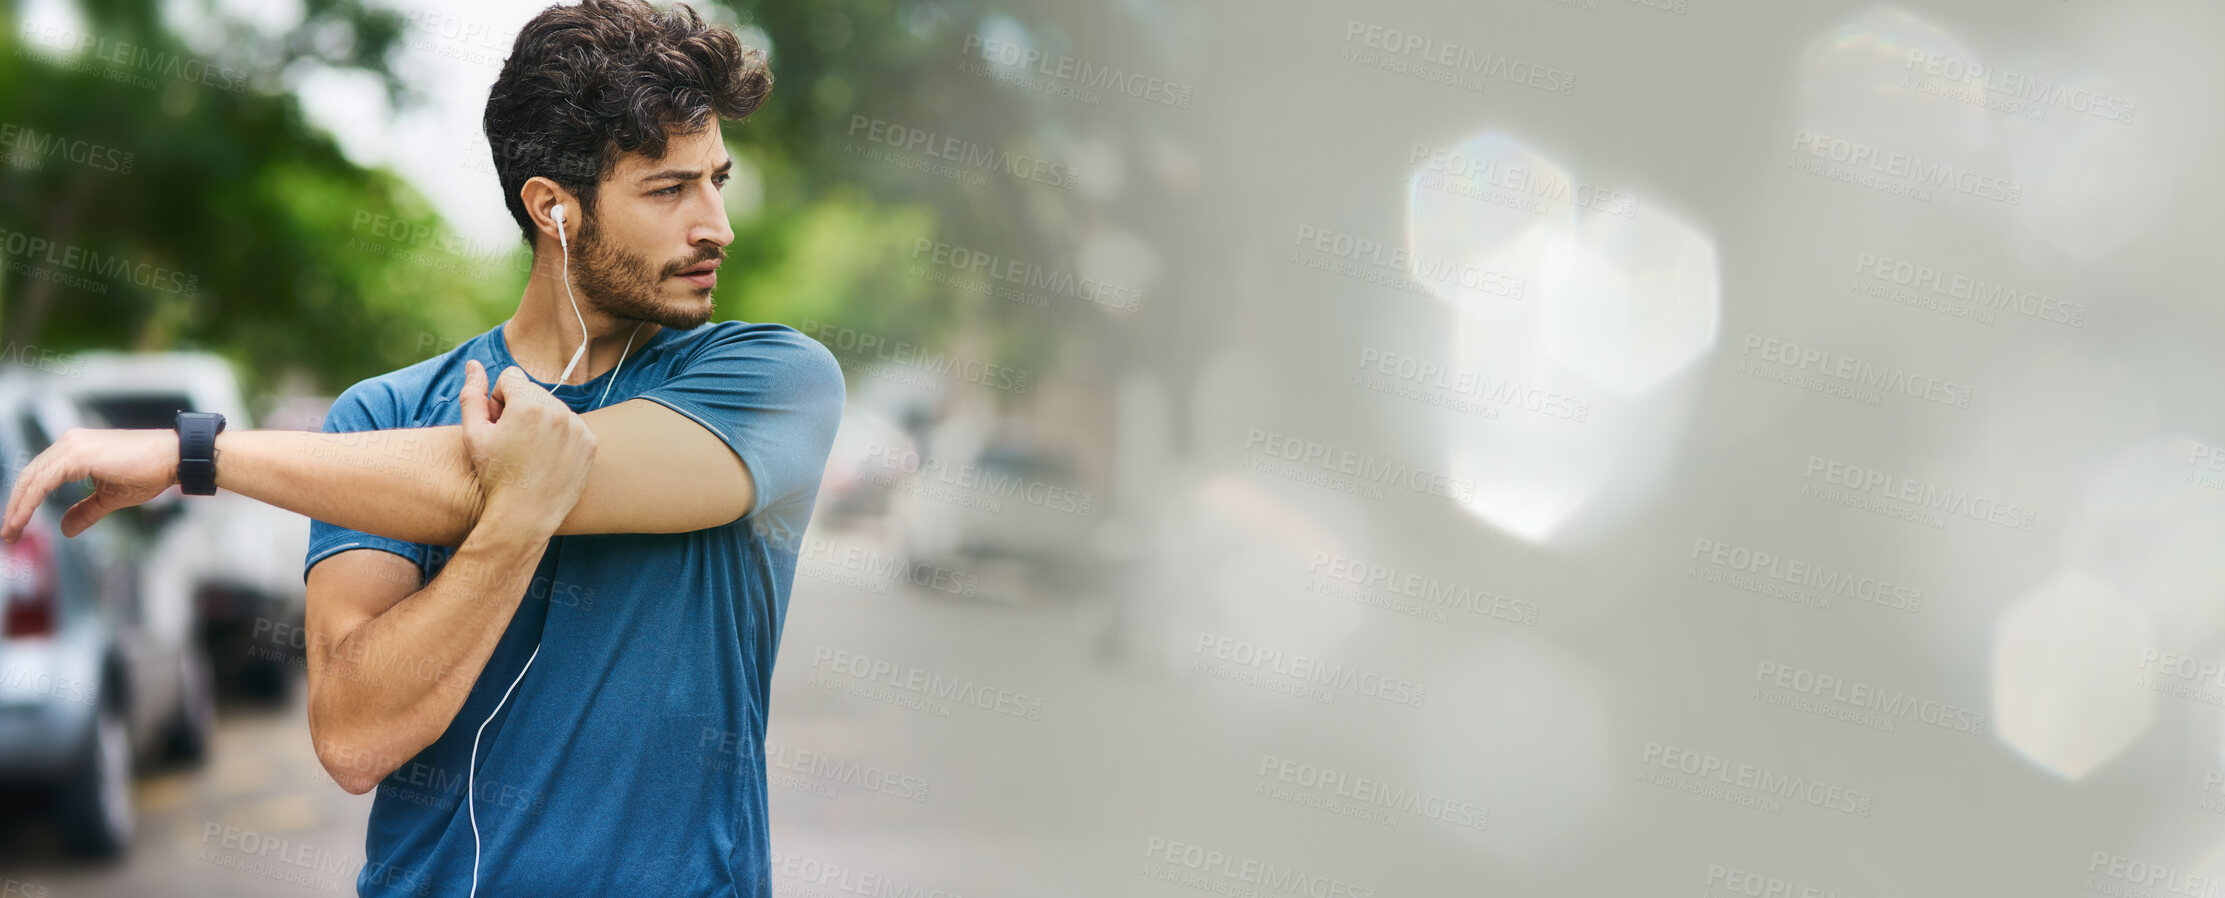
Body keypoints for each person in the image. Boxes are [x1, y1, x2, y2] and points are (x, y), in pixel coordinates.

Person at [0, 1, 843, 893]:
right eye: (669, 190)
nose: (717, 224)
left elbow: (555, 469)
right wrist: (514, 524)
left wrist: (194, 454)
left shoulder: (771, 382)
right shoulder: (386, 412)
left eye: (717, 178)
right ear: (553, 209)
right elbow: (355, 739)